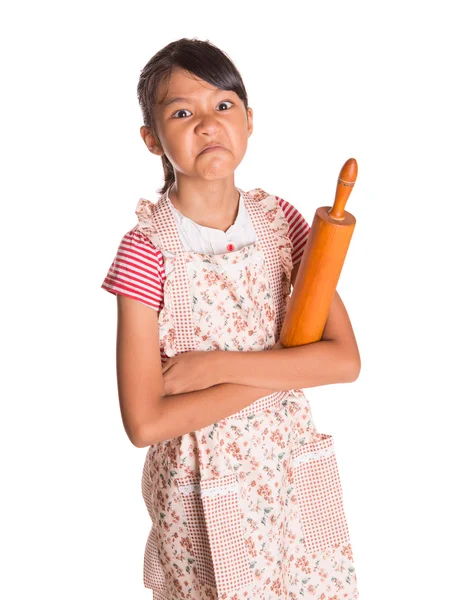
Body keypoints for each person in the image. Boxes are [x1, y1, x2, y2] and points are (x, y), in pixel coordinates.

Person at [101, 37, 361, 600]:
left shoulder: (281, 223)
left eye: (224, 105)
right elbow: (145, 424)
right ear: (151, 138)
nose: (207, 124)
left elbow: (344, 361)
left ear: (249, 120)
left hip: (289, 478)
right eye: (181, 112)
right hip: (199, 491)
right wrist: (281, 373)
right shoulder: (145, 251)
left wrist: (212, 367)